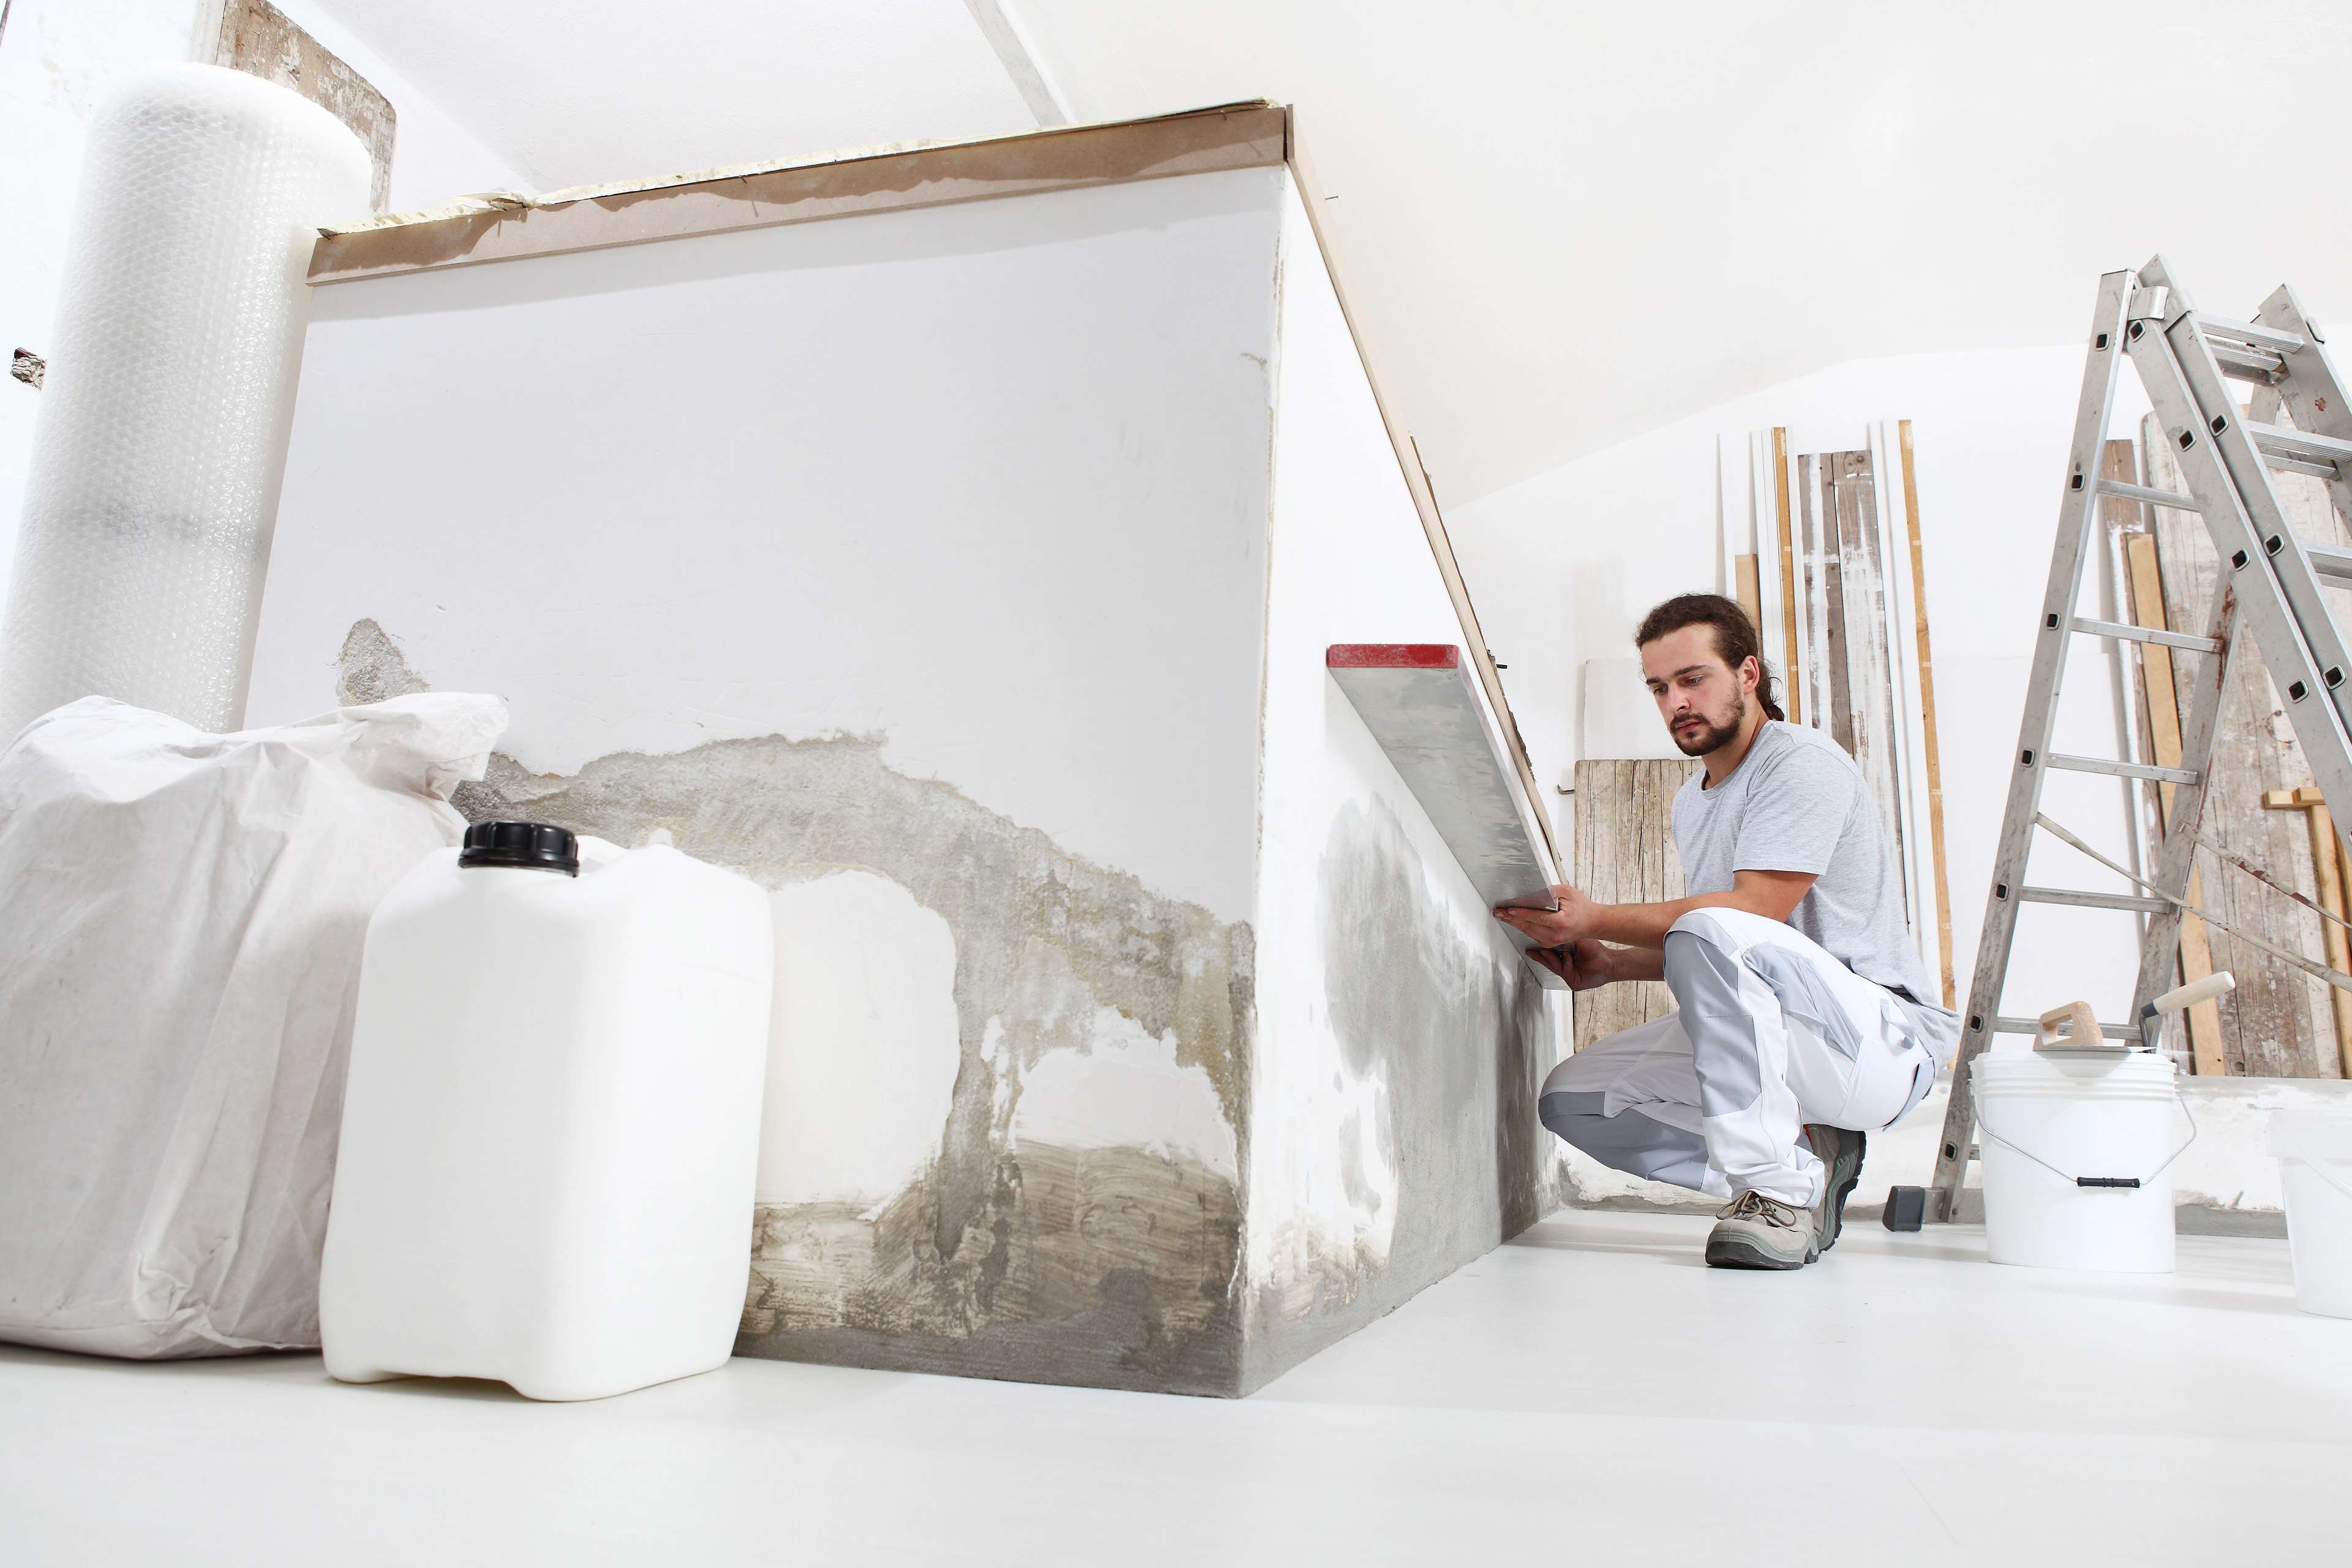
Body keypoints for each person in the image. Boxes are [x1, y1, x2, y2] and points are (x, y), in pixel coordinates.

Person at [1496, 594, 1958, 1269]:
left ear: (1748, 674)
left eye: (1693, 679)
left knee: (1717, 922)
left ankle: (1775, 1193)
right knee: (1578, 1102)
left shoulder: (1799, 764)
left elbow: (1754, 912)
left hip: (1876, 1045)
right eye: (1660, 688)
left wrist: (1594, 916)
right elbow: (1720, 951)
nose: (1676, 702)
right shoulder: (1694, 800)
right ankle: (1803, 1162)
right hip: (1783, 1033)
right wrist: (1612, 965)